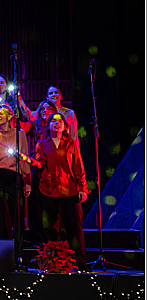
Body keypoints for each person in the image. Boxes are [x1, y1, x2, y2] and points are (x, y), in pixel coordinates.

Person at [30, 113, 90, 270]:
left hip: (70, 189)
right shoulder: (42, 143)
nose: (57, 123)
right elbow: (40, 163)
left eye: (60, 121)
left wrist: (83, 187)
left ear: (65, 126)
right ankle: (52, 263)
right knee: (50, 228)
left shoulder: (71, 143)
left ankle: (80, 263)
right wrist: (30, 161)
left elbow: (78, 166)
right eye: (54, 121)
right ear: (48, 125)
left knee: (74, 227)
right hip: (48, 189)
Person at [0, 104, 31, 269]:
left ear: (10, 116)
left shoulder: (19, 134)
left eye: (1, 113)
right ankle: (0, 258)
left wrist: (27, 181)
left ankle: (18, 256)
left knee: (17, 218)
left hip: (13, 177)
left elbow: (24, 158)